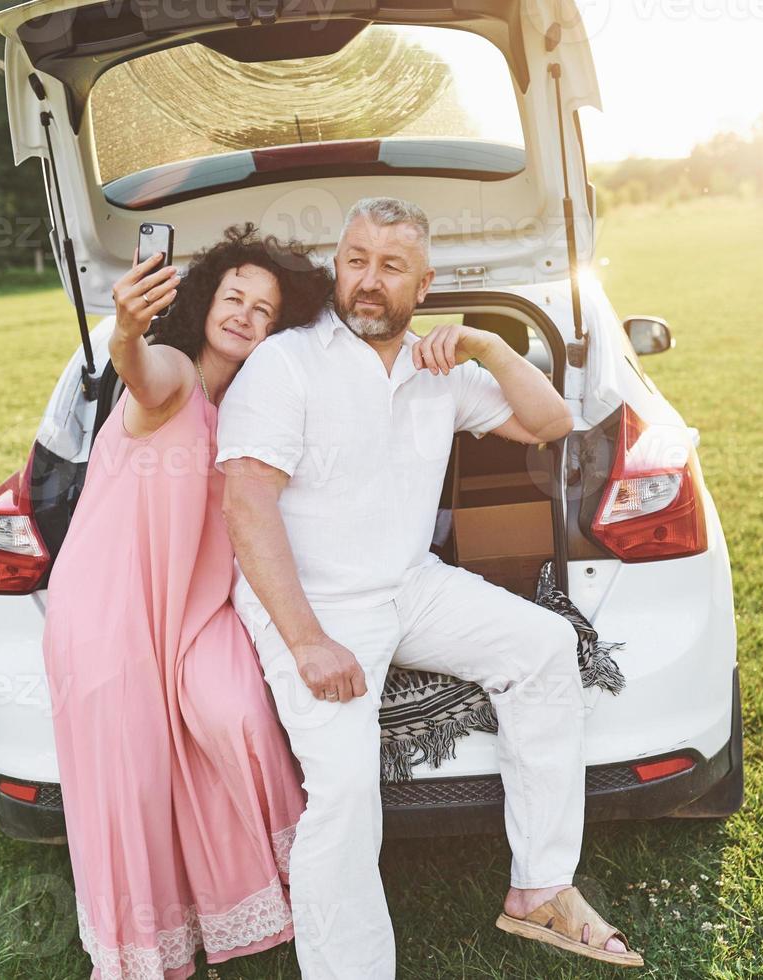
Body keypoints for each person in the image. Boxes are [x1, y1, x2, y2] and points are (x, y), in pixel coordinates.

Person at [216, 197, 644, 975]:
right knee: (345, 793)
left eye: (390, 266)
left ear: (425, 284)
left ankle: (540, 890)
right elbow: (244, 502)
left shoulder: (440, 369)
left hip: (411, 585)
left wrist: (487, 343)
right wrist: (307, 640)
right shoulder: (287, 363)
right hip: (316, 604)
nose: (367, 281)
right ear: (336, 266)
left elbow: (550, 423)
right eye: (354, 260)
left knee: (545, 646)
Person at [42, 224, 334, 980]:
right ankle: (147, 954)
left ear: (281, 327)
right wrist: (129, 332)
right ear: (205, 302)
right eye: (234, 296)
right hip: (112, 610)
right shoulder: (175, 374)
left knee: (237, 714)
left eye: (264, 310)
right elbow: (141, 372)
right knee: (133, 786)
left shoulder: (260, 405)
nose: (244, 314)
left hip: (198, 609)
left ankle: (305, 882)